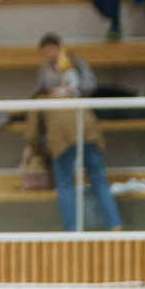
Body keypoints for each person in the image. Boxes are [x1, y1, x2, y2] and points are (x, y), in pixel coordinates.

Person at [27, 33, 122, 231]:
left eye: (51, 50)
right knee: (96, 180)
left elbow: (90, 85)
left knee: (68, 183)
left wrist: (34, 149)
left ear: (58, 47)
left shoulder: (76, 64)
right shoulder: (44, 75)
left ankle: (75, 231)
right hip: (81, 130)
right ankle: (114, 225)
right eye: (45, 52)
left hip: (74, 131)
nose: (48, 55)